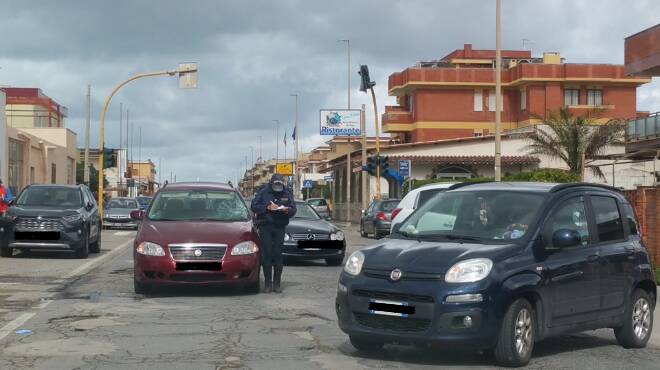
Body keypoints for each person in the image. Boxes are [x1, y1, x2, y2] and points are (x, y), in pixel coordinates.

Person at [251, 174, 297, 293]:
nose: (278, 186)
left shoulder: (287, 192)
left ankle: (277, 284)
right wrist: (267, 207)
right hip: (266, 226)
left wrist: (287, 210)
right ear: (271, 183)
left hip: (279, 226)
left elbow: (293, 209)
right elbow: (254, 206)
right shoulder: (263, 192)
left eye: (280, 184)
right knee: (267, 254)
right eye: (276, 183)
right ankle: (267, 284)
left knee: (278, 254)